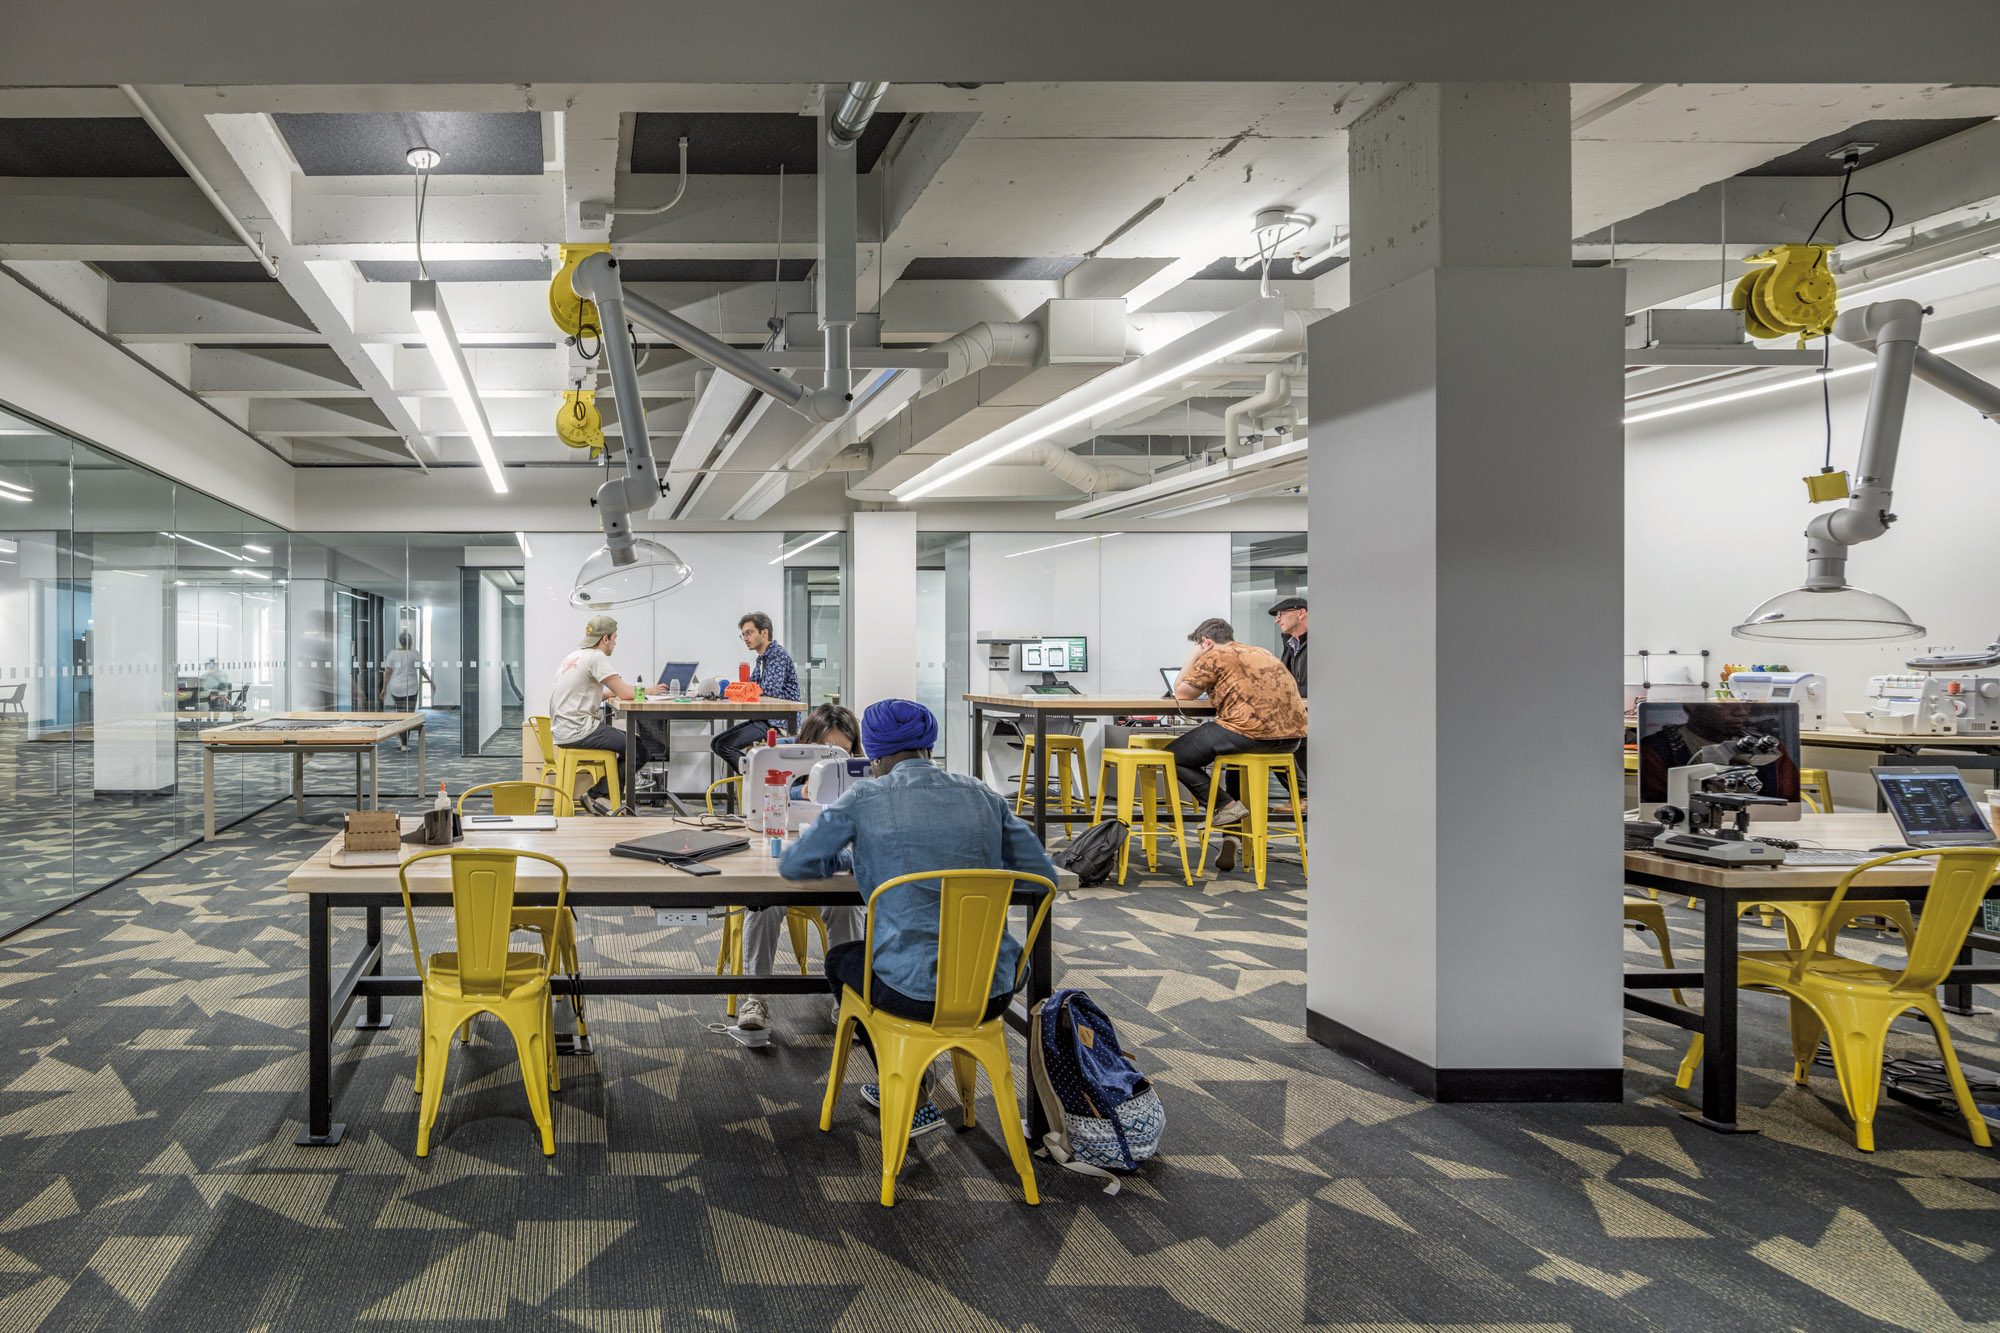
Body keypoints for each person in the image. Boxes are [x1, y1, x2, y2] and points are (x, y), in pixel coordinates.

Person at [780, 699, 1056, 1137]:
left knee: (841, 962)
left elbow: (797, 866)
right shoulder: (984, 794)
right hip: (993, 987)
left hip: (910, 989)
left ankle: (914, 1092)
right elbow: (1041, 878)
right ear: (929, 745)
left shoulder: (864, 797)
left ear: (875, 754)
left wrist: (857, 858)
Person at [732, 702, 864, 1034]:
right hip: (780, 850)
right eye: (826, 749)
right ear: (809, 740)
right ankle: (756, 996)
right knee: (764, 904)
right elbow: (760, 791)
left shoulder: (858, 767)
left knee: (847, 907)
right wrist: (798, 790)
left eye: (842, 751)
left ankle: (847, 999)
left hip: (829, 858)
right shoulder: (781, 754)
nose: (834, 756)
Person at [1169, 617, 1308, 835]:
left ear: (1205, 642)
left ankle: (1225, 807)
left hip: (1250, 733)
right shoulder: (1261, 652)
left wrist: (1195, 654)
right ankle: (1234, 836)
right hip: (1291, 740)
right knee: (1233, 762)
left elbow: (1181, 693)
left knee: (1172, 757)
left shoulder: (1215, 655)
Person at [547, 613, 666, 814]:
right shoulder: (596, 657)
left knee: (630, 743)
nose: (615, 643)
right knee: (639, 749)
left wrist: (616, 692)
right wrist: (650, 690)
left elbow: (590, 694)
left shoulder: (575, 656)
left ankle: (602, 797)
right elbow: (626, 693)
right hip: (579, 730)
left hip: (563, 729)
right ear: (605, 639)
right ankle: (598, 796)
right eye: (615, 638)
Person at [711, 612, 802, 772]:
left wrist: (743, 690)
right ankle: (756, 776)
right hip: (763, 718)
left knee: (726, 746)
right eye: (743, 634)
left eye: (749, 633)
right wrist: (723, 692)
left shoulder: (777, 655)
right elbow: (751, 687)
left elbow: (769, 690)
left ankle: (757, 777)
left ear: (764, 633)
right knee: (717, 744)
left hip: (778, 722)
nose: (746, 638)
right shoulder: (762, 659)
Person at [1267, 597, 1308, 795]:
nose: (1277, 620)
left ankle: (1305, 796)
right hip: (1297, 713)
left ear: (1301, 613)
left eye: (1281, 614)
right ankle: (1305, 796)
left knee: (1270, 740)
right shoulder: (1292, 645)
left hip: (1313, 715)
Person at [379, 632, 430, 750]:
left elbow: (388, 672)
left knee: (401, 713)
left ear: (400, 641)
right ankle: (404, 743)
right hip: (411, 687)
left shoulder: (393, 654)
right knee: (409, 715)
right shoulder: (414, 654)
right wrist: (430, 681)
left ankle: (402, 741)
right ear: (410, 641)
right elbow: (421, 669)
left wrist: (383, 688)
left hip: (396, 687)